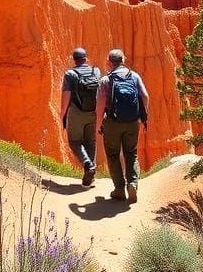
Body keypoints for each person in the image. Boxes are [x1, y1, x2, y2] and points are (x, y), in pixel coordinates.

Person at [96, 49, 149, 203]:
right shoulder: (135, 76)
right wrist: (143, 117)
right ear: (123, 60)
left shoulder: (105, 80)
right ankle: (132, 183)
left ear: (109, 62)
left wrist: (99, 124)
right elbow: (145, 96)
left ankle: (119, 189)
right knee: (131, 153)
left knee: (113, 154)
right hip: (133, 121)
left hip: (112, 122)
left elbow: (99, 107)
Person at [60, 47, 101, 186]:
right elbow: (99, 94)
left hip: (77, 113)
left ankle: (88, 164)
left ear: (74, 60)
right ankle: (91, 173)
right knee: (91, 142)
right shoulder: (96, 71)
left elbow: (66, 97)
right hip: (93, 113)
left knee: (74, 141)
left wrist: (63, 115)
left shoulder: (70, 74)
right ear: (86, 59)